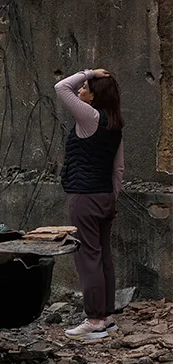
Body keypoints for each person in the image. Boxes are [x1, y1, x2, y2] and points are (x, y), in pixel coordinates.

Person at [54, 68, 124, 340]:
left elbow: (61, 87)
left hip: (84, 196)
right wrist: (112, 201)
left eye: (85, 87)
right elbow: (119, 169)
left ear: (94, 97)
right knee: (103, 255)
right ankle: (106, 316)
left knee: (87, 258)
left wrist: (90, 71)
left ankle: (94, 319)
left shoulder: (89, 117)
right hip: (105, 196)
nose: (80, 90)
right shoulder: (115, 123)